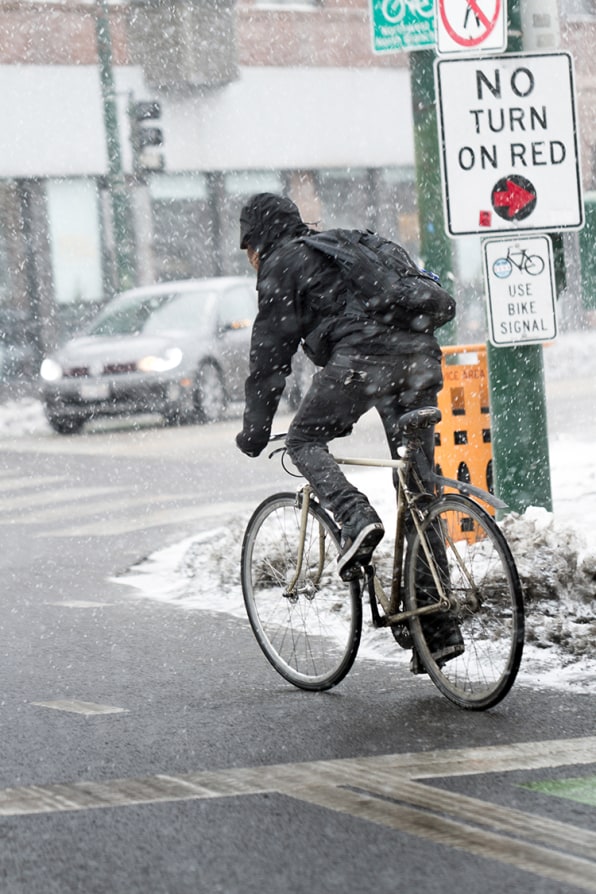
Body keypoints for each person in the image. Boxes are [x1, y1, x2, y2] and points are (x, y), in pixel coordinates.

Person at [236, 193, 463, 664]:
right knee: (420, 492)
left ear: (258, 240)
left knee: (302, 440)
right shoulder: (344, 248)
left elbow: (269, 360)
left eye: (248, 250)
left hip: (365, 364)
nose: (251, 260)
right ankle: (437, 629)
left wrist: (255, 432)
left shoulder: (284, 263)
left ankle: (355, 516)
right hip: (421, 361)